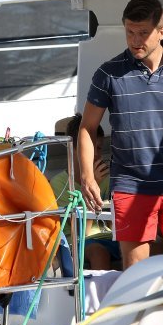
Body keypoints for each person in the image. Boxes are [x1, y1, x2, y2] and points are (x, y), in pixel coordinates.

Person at [79, 0, 163, 269]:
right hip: (130, 185)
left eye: (143, 32)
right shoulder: (108, 74)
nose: (135, 40)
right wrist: (86, 176)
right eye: (129, 32)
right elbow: (87, 127)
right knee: (135, 270)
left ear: (162, 31)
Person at [49, 115, 120, 270]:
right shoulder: (59, 184)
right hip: (78, 242)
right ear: (74, 148)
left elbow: (112, 225)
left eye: (99, 148)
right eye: (90, 147)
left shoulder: (106, 179)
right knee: (99, 253)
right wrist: (93, 186)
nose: (96, 154)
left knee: (148, 246)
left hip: (109, 237)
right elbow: (82, 232)